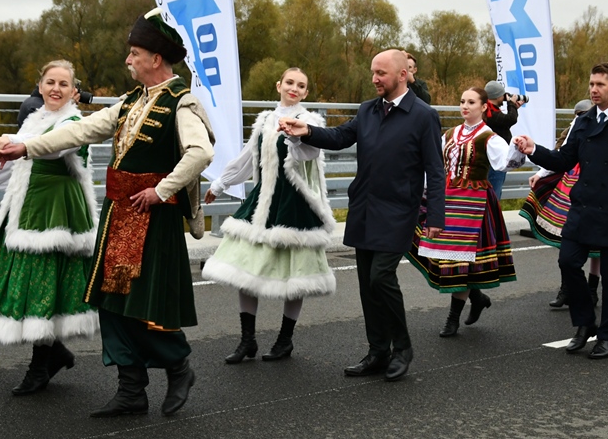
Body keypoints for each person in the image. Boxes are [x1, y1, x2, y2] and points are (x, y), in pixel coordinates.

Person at [0, 8, 215, 417]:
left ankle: (179, 366)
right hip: (118, 215)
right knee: (111, 302)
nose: (128, 60)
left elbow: (201, 152)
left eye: (135, 54)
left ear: (156, 58)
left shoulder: (181, 103)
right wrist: (25, 147)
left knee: (144, 303)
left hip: (152, 219)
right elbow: (79, 130)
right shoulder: (130, 101)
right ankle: (131, 390)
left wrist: (161, 190)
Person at [279, 49, 445, 382]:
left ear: (402, 75)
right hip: (365, 207)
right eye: (373, 72)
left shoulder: (423, 115)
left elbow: (435, 169)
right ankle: (378, 351)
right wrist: (307, 130)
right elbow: (341, 136)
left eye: (381, 73)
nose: (374, 79)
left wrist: (436, 218)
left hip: (399, 211)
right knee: (367, 285)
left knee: (381, 277)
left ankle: (402, 349)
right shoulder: (368, 109)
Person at [0, 60, 98, 395]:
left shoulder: (73, 122)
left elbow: (54, 146)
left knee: (44, 283)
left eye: (63, 84)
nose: (56, 89)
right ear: (40, 87)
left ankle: (40, 366)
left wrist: (8, 138)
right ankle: (53, 353)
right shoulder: (35, 118)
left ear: (74, 91)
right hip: (26, 207)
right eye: (50, 82)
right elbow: (14, 154)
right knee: (31, 282)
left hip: (57, 211)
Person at [514, 62, 608, 360]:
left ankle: (606, 337)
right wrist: (534, 150)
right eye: (591, 84)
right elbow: (564, 160)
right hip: (584, 209)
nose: (594, 89)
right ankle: (585, 323)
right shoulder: (584, 121)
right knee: (567, 263)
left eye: (600, 84)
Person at [202, 67, 336, 362]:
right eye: (289, 82)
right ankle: (247, 340)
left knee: (296, 274)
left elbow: (310, 154)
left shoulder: (310, 122)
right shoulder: (265, 120)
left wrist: (295, 137)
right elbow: (247, 159)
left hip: (294, 203)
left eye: (300, 85)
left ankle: (285, 340)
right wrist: (220, 184)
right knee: (245, 269)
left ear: (305, 93)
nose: (294, 88)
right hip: (263, 201)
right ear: (279, 85)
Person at [407, 87, 522, 337]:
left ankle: (453, 317)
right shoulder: (449, 134)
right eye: (462, 101)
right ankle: (477, 297)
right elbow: (435, 165)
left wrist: (518, 149)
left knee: (461, 261)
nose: (465, 106)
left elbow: (504, 163)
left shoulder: (489, 137)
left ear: (484, 107)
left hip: (474, 204)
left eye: (471, 102)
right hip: (447, 198)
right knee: (418, 241)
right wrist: (423, 192)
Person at [518, 99, 601, 309]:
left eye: (584, 114)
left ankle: (592, 289)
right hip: (569, 187)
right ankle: (567, 288)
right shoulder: (573, 128)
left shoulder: (605, 127)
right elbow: (559, 155)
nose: (581, 118)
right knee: (567, 237)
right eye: (578, 115)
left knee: (597, 244)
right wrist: (540, 174)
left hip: (595, 187)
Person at [483, 80, 524, 198]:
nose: (504, 98)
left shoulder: (490, 110)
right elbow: (510, 119)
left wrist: (514, 107)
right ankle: (492, 210)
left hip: (495, 157)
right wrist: (511, 103)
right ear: (497, 96)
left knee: (495, 191)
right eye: (502, 95)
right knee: (494, 193)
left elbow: (505, 124)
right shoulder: (490, 113)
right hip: (495, 159)